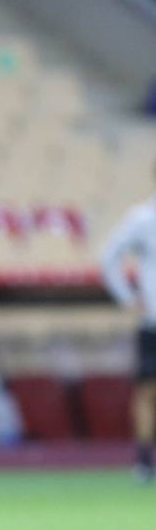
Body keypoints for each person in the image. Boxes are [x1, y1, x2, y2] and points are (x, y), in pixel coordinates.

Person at [100, 167, 156, 482]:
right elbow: (109, 256)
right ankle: (144, 461)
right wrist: (128, 296)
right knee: (148, 393)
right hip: (153, 321)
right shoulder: (143, 219)